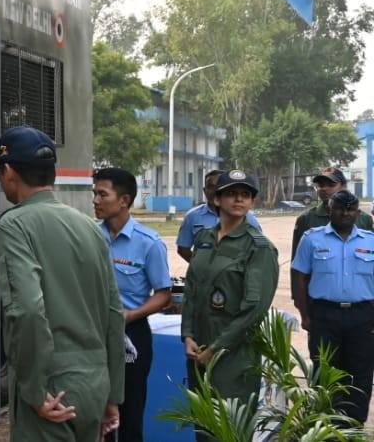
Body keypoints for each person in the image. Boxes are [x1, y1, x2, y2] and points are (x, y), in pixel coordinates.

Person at [0, 126, 124, 442]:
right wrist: (112, 394)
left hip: (52, 388)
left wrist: (34, 392)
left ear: (8, 172)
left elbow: (28, 310)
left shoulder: (15, 225)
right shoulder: (88, 227)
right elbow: (114, 313)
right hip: (95, 383)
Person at [181, 170, 278, 435]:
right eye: (232, 193)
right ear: (217, 199)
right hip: (198, 349)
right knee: (203, 427)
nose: (239, 199)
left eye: (245, 195)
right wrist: (187, 334)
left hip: (233, 354)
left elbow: (254, 310)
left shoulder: (259, 247)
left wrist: (216, 348)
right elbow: (192, 290)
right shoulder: (204, 239)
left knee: (231, 429)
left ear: (252, 202)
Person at [91, 167, 171, 442]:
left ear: (124, 200)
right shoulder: (89, 236)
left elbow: (163, 294)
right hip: (93, 334)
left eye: (103, 194)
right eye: (95, 194)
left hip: (131, 336)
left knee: (129, 414)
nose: (96, 200)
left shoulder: (149, 243)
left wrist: (130, 315)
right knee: (93, 411)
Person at [291, 189, 374, 427]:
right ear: (329, 210)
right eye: (339, 208)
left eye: (350, 209)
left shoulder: (371, 241)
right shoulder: (312, 238)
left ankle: (353, 427)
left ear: (358, 212)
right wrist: (305, 314)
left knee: (360, 373)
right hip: (325, 316)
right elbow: (300, 277)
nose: (345, 213)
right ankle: (326, 426)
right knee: (324, 371)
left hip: (362, 317)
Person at [177, 170, 262, 262]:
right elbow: (183, 248)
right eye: (211, 187)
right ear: (205, 191)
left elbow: (259, 252)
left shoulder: (248, 218)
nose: (214, 191)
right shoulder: (192, 216)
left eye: (219, 187)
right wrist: (199, 267)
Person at [291, 167, 374, 259]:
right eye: (321, 185)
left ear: (343, 186)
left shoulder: (364, 219)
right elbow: (297, 261)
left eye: (331, 185)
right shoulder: (306, 219)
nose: (324, 189)